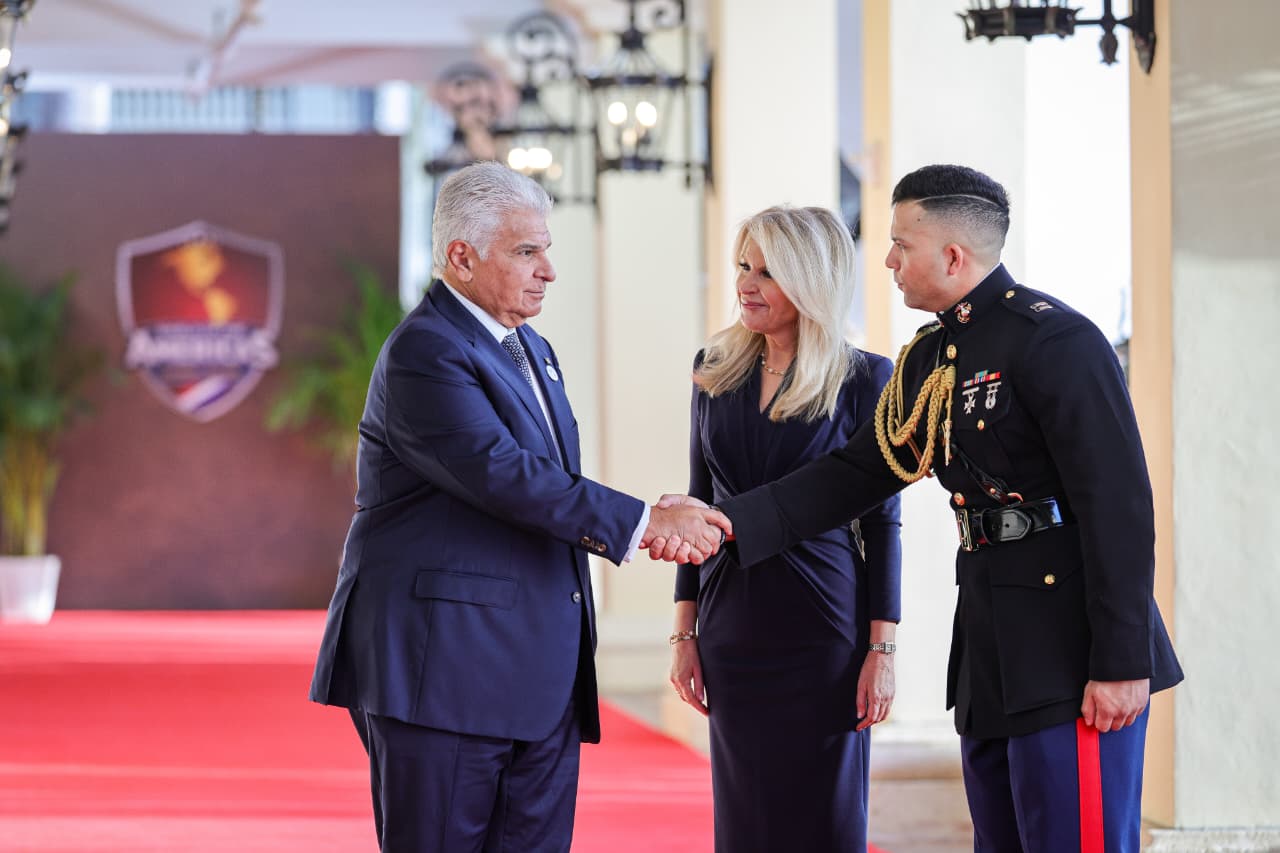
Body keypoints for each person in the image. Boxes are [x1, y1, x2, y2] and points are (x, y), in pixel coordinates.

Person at [655, 165, 1182, 852]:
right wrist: (725, 523)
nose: (888, 259)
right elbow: (855, 476)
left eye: (902, 244)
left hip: (1069, 651)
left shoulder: (1054, 342)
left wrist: (1120, 660)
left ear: (953, 256)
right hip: (992, 653)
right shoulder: (931, 358)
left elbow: (1119, 506)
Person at [308, 161, 729, 853]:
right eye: (526, 251)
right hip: (441, 676)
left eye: (547, 248)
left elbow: (541, 485)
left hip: (537, 678)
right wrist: (645, 522)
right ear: (461, 257)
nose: (549, 270)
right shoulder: (424, 351)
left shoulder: (532, 348)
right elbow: (504, 476)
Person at [668, 205, 902, 853]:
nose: (746, 283)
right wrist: (684, 631)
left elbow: (883, 522)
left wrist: (881, 652)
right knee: (746, 817)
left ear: (811, 281)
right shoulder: (714, 368)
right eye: (744, 265)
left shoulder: (866, 379)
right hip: (730, 625)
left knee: (825, 815)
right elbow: (701, 498)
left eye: (768, 272)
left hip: (825, 628)